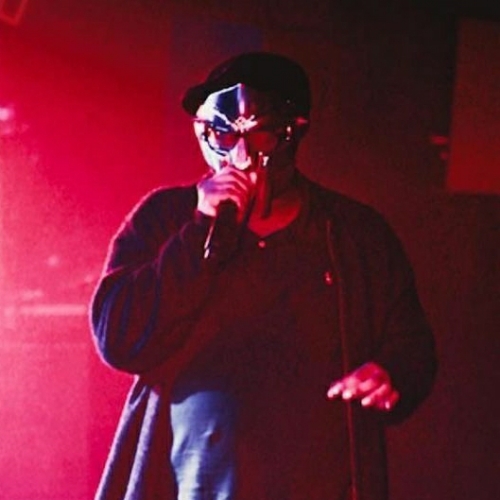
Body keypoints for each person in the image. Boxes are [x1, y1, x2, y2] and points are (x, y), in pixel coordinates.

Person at [90, 51, 437, 500]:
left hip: (317, 481)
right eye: (223, 135)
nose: (241, 156)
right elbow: (118, 338)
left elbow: (411, 343)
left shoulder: (353, 233)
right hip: (190, 481)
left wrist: (391, 373)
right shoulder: (166, 218)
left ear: (293, 131)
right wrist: (198, 231)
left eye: (260, 135)